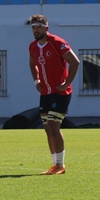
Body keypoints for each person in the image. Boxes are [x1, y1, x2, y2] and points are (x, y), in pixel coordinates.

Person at [27, 14, 80, 175]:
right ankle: (55, 164)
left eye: (38, 27)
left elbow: (75, 62)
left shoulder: (57, 43)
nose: (35, 30)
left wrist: (66, 83)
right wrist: (36, 80)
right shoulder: (33, 47)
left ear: (46, 28)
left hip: (60, 92)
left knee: (53, 125)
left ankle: (60, 165)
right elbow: (32, 64)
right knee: (47, 128)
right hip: (46, 93)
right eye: (33, 27)